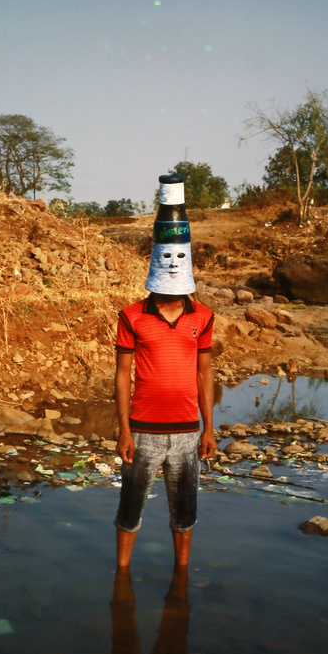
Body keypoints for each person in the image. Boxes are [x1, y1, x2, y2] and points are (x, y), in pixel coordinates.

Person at [113, 173, 218, 573]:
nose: (173, 263)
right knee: (130, 509)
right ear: (156, 260)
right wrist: (123, 429)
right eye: (167, 257)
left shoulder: (203, 317)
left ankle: (181, 579)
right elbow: (123, 375)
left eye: (180, 257)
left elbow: (204, 373)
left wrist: (208, 428)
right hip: (142, 431)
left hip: (188, 433)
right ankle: (122, 576)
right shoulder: (132, 315)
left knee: (185, 513)